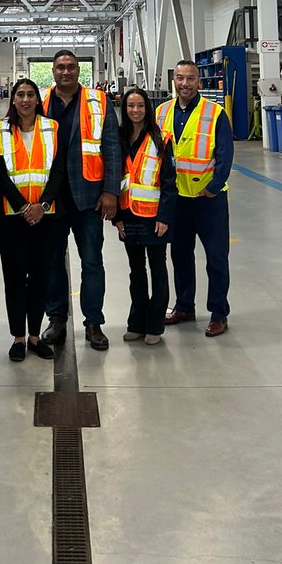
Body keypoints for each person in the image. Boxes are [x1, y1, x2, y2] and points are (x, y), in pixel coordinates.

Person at [40, 49, 121, 351]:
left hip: (89, 198)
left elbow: (112, 149)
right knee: (52, 263)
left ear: (78, 70)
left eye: (71, 67)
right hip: (51, 199)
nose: (66, 72)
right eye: (60, 67)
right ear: (53, 70)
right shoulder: (41, 101)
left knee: (92, 262)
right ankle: (56, 319)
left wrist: (111, 191)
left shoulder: (98, 102)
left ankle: (94, 322)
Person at [157, 59, 235, 337]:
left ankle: (218, 313)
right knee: (180, 256)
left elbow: (225, 154)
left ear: (199, 82)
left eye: (190, 79)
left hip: (208, 199)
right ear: (174, 81)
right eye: (180, 78)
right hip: (177, 199)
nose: (185, 84)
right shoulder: (161, 111)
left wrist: (214, 186)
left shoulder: (215, 113)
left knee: (216, 257)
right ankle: (184, 306)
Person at [0, 79, 65, 361]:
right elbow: (0, 174)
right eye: (19, 94)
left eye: (30, 94)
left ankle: (35, 335)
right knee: (15, 278)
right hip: (11, 217)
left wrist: (43, 205)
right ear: (13, 99)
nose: (25, 99)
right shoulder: (0, 130)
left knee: (41, 277)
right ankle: (18, 337)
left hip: (47, 216)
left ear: (37, 99)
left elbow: (58, 170)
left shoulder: (53, 128)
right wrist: (24, 207)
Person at [113, 88, 177, 345]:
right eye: (130, 106)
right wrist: (116, 216)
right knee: (136, 272)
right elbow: (115, 179)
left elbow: (169, 183)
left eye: (140, 106)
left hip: (154, 218)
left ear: (147, 109)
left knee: (158, 270)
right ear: (124, 109)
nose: (135, 111)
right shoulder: (119, 138)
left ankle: (155, 326)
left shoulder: (161, 138)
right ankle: (136, 323)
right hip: (128, 216)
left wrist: (164, 216)